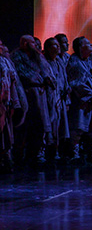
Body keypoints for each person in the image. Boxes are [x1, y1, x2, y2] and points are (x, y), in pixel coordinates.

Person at [11, 35, 54, 163]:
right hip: (27, 94)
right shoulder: (17, 56)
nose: (34, 45)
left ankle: (36, 154)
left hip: (40, 95)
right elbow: (21, 73)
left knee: (39, 125)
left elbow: (46, 70)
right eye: (32, 43)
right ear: (24, 44)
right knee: (24, 127)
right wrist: (35, 79)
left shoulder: (38, 56)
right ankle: (20, 155)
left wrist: (46, 79)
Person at [42, 38, 70, 161]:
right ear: (48, 48)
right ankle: (43, 152)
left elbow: (64, 79)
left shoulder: (59, 62)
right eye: (54, 45)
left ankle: (56, 152)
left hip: (60, 98)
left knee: (59, 126)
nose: (58, 47)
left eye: (58, 45)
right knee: (48, 124)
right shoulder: (44, 62)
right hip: (48, 97)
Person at [0, 39, 24, 172]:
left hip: (5, 101)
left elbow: (12, 82)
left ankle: (6, 158)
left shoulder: (6, 61)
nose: (2, 47)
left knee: (6, 132)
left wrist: (14, 102)